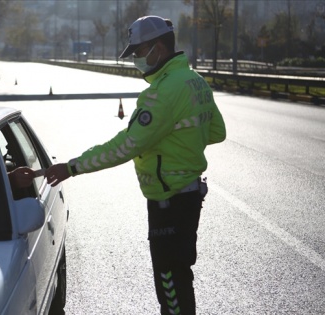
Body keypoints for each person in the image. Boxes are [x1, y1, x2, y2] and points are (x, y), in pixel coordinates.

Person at [45, 15, 226, 315]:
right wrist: (180, 140)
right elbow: (217, 132)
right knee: (181, 275)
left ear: (158, 48)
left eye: (139, 52)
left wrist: (72, 167)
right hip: (189, 195)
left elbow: (126, 145)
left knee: (169, 283)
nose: (137, 60)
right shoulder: (194, 81)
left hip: (169, 199)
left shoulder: (164, 92)